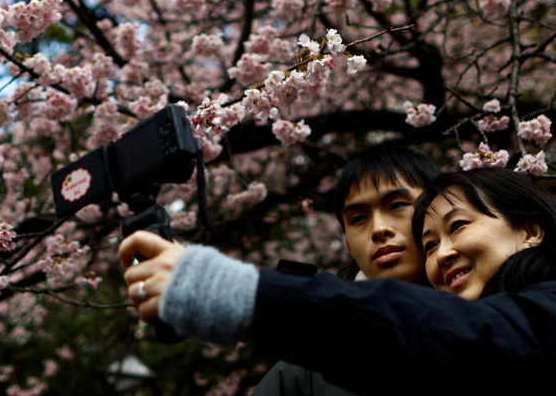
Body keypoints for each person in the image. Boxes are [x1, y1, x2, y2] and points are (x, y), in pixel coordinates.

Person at [120, 167, 556, 396]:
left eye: (457, 226)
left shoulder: (537, 311)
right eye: (429, 244)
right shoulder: (305, 371)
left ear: (530, 229)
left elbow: (470, 337)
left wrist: (240, 293)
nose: (441, 254)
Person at [252, 144, 438, 395]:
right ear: (349, 246)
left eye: (396, 205)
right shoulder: (309, 366)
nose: (378, 229)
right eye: (359, 219)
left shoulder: (497, 321)